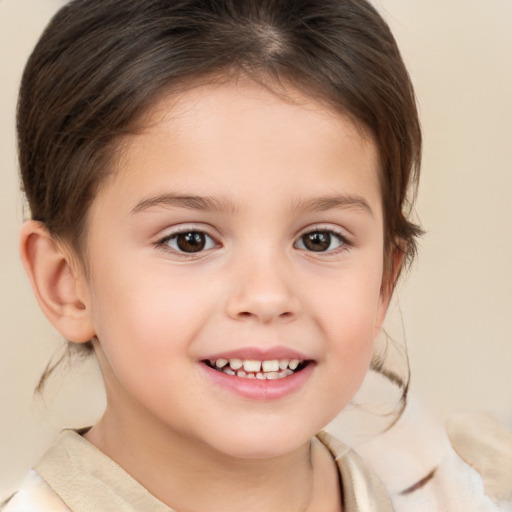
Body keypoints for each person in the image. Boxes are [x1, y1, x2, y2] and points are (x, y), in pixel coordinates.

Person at [2, 0, 511, 510]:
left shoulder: (459, 495)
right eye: (190, 240)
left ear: (384, 280)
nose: (267, 296)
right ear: (64, 282)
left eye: (320, 239)